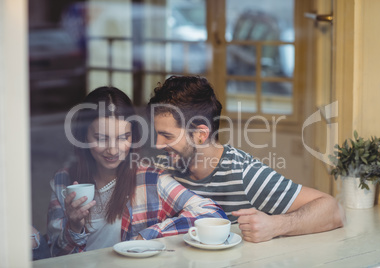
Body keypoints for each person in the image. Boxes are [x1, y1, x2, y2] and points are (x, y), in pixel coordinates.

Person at [148, 76, 345, 243]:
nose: (157, 145)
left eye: (167, 136)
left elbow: (333, 211)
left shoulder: (243, 173)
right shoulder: (163, 167)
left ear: (200, 134)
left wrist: (276, 225)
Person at [47, 86, 226, 256]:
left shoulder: (150, 179)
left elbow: (211, 212)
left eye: (123, 138)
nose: (112, 150)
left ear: (134, 136)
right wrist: (73, 227)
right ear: (84, 136)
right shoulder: (64, 180)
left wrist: (147, 236)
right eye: (101, 138)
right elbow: (55, 254)